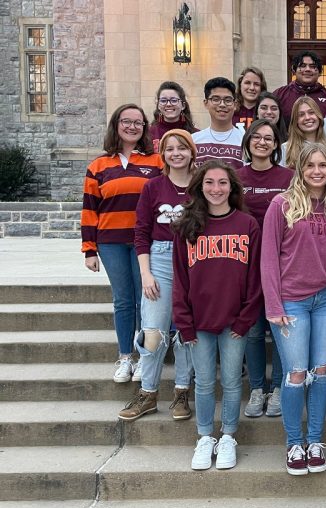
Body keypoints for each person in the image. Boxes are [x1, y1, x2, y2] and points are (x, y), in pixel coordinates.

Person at [262, 143, 326, 476]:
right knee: (296, 373)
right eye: (310, 165)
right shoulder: (281, 205)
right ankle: (294, 443)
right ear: (300, 168)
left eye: (323, 165)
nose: (316, 171)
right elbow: (268, 257)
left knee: (323, 370)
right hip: (292, 300)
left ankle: (315, 440)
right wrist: (273, 303)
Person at [172, 160, 263, 471]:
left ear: (232, 188)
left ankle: (228, 436)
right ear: (199, 187)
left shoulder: (247, 225)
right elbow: (180, 278)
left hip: (234, 322)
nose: (216, 189)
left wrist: (245, 318)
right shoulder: (187, 226)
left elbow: (255, 278)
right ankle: (204, 436)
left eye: (222, 183)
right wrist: (184, 323)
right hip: (198, 322)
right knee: (205, 383)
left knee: (233, 381)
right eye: (209, 183)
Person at [118, 129, 196, 421]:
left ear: (191, 152)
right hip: (160, 257)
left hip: (192, 258)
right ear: (162, 154)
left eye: (182, 148)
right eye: (170, 148)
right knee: (153, 332)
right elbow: (141, 232)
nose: (176, 153)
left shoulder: (200, 187)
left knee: (187, 332)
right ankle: (148, 393)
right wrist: (146, 273)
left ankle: (181, 393)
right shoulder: (153, 187)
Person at [81, 103, 163, 382]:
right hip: (111, 242)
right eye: (126, 121)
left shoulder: (156, 162)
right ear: (116, 125)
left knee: (146, 300)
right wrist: (89, 249)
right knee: (123, 300)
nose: (132, 126)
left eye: (138, 122)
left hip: (146, 243)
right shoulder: (99, 165)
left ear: (144, 128)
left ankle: (143, 357)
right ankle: (125, 357)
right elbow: (90, 210)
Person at [237, 119, 295, 419]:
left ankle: (278, 389)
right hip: (244, 265)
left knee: (281, 330)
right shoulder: (235, 176)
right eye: (256, 137)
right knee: (254, 332)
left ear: (276, 145)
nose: (262, 142)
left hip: (281, 265)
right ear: (248, 142)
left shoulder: (289, 177)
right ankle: (258, 389)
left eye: (268, 138)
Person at [192, 77, 244, 169]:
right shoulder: (194, 141)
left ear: (235, 104)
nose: (222, 105)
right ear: (206, 103)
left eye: (228, 100)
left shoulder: (245, 140)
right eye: (216, 99)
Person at [274, 50, 326, 119]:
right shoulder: (280, 94)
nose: (307, 69)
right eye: (302, 66)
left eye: (312, 66)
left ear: (320, 72)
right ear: (294, 71)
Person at [281, 97, 326, 169]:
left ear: (318, 116)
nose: (307, 117)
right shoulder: (285, 149)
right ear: (295, 121)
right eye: (301, 115)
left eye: (311, 112)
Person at [149, 81, 198, 152]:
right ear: (158, 106)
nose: (168, 104)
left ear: (183, 105)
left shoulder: (196, 134)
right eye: (163, 100)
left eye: (174, 100)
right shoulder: (148, 134)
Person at [232, 66, 267, 131]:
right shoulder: (231, 110)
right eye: (247, 83)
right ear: (240, 84)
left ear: (261, 87)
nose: (252, 88)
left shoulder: (267, 112)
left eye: (256, 84)